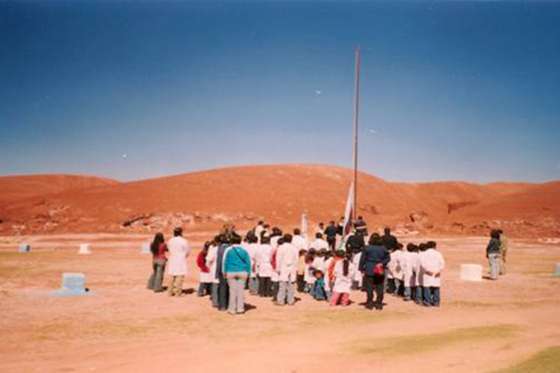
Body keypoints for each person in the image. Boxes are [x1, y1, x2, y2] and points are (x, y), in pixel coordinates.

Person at [359, 233, 390, 310]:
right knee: (379, 287)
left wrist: (361, 268)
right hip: (379, 269)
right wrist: (382, 263)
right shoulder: (383, 248)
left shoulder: (367, 248)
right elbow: (388, 258)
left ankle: (369, 303)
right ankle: (379, 304)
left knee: (369, 287)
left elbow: (362, 259)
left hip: (369, 269)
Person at [222, 236, 251, 315]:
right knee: (241, 291)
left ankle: (232, 309)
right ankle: (240, 309)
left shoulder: (229, 251)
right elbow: (248, 262)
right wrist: (249, 272)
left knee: (232, 291)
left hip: (231, 271)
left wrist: (224, 272)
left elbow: (225, 262)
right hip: (242, 271)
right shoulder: (244, 251)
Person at [167, 227, 191, 297]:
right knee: (179, 276)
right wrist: (184, 256)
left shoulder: (170, 240)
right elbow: (187, 251)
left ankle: (170, 291)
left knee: (172, 276)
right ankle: (178, 292)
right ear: (181, 233)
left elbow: (169, 249)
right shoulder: (184, 241)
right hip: (180, 260)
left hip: (173, 259)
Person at [275, 234, 299, 305]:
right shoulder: (294, 248)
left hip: (283, 267)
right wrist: (296, 268)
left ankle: (280, 301)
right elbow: (296, 259)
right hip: (292, 267)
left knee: (282, 284)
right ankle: (290, 300)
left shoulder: (281, 247)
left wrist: (278, 268)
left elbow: (278, 259)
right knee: (291, 284)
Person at [419, 241, 445, 307]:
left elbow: (422, 263)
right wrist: (439, 271)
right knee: (436, 287)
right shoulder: (438, 254)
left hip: (428, 273)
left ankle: (428, 302)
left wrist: (427, 271)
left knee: (427, 287)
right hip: (436, 272)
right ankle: (436, 302)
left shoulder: (424, 254)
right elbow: (442, 263)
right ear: (434, 246)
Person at [215, 235, 230, 310]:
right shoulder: (230, 248)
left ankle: (222, 305)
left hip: (222, 271)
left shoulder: (219, 248)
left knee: (222, 288)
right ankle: (228, 304)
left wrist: (217, 273)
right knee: (229, 288)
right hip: (230, 270)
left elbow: (219, 262)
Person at [206, 237, 221, 308]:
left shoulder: (214, 249)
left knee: (215, 286)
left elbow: (208, 260)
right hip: (224, 271)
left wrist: (208, 267)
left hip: (214, 270)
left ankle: (215, 302)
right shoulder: (225, 249)